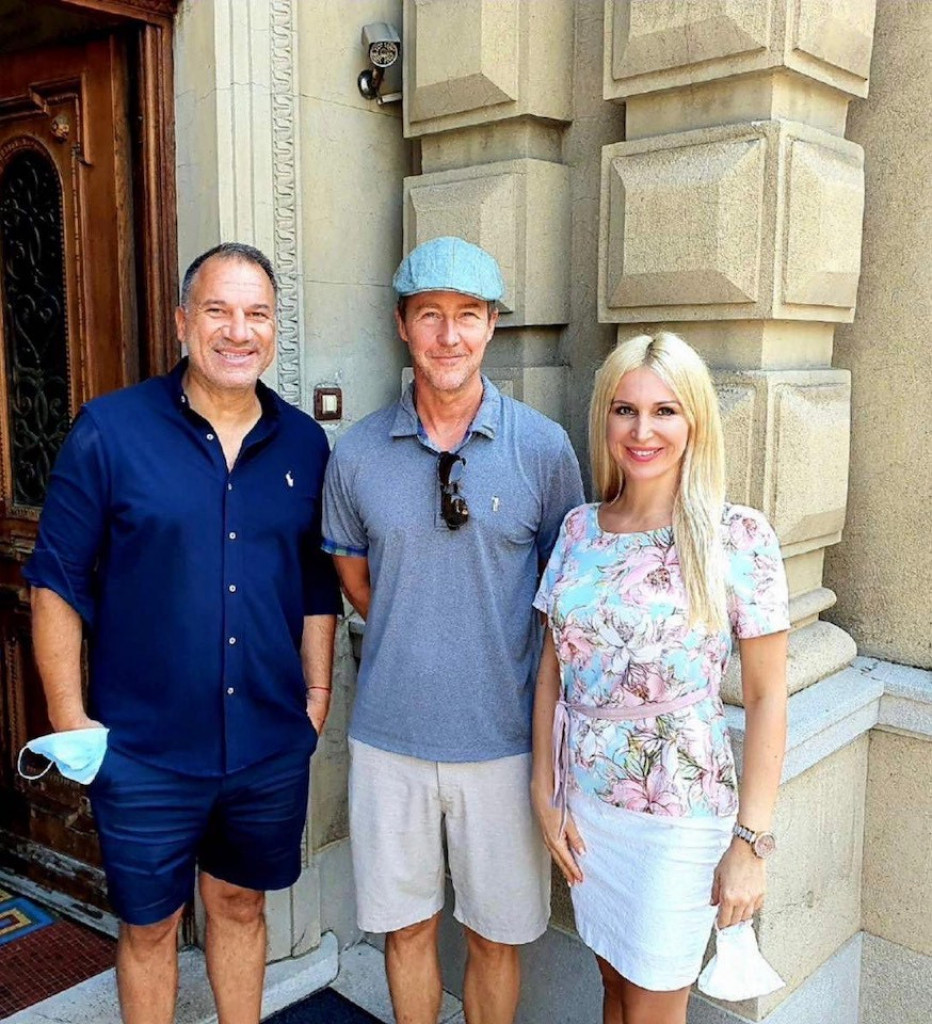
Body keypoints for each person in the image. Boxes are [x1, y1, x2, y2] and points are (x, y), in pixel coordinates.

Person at [23, 243, 342, 1024]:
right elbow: (55, 579)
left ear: (274, 329)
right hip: (144, 751)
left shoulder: (304, 444)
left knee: (240, 905)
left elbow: (315, 582)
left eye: (257, 313)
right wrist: (70, 720)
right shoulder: (110, 431)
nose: (238, 331)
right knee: (151, 926)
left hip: (267, 742)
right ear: (181, 322)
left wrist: (317, 695)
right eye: (218, 310)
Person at [322, 236, 584, 1024]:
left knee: (495, 938)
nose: (449, 335)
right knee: (405, 929)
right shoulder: (357, 454)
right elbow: (355, 579)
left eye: (468, 315)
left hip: (505, 743)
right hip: (389, 738)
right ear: (402, 325)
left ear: (492, 326)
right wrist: (420, 631)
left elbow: (563, 595)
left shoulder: (543, 449)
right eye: (429, 315)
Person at [531, 332, 789, 1024]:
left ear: (694, 420)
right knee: (614, 988)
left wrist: (751, 844)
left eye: (664, 411)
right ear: (605, 419)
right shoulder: (579, 530)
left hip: (678, 814)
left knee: (653, 1004)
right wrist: (544, 792)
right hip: (587, 807)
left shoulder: (738, 536)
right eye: (625, 410)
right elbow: (552, 670)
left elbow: (767, 696)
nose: (642, 431)